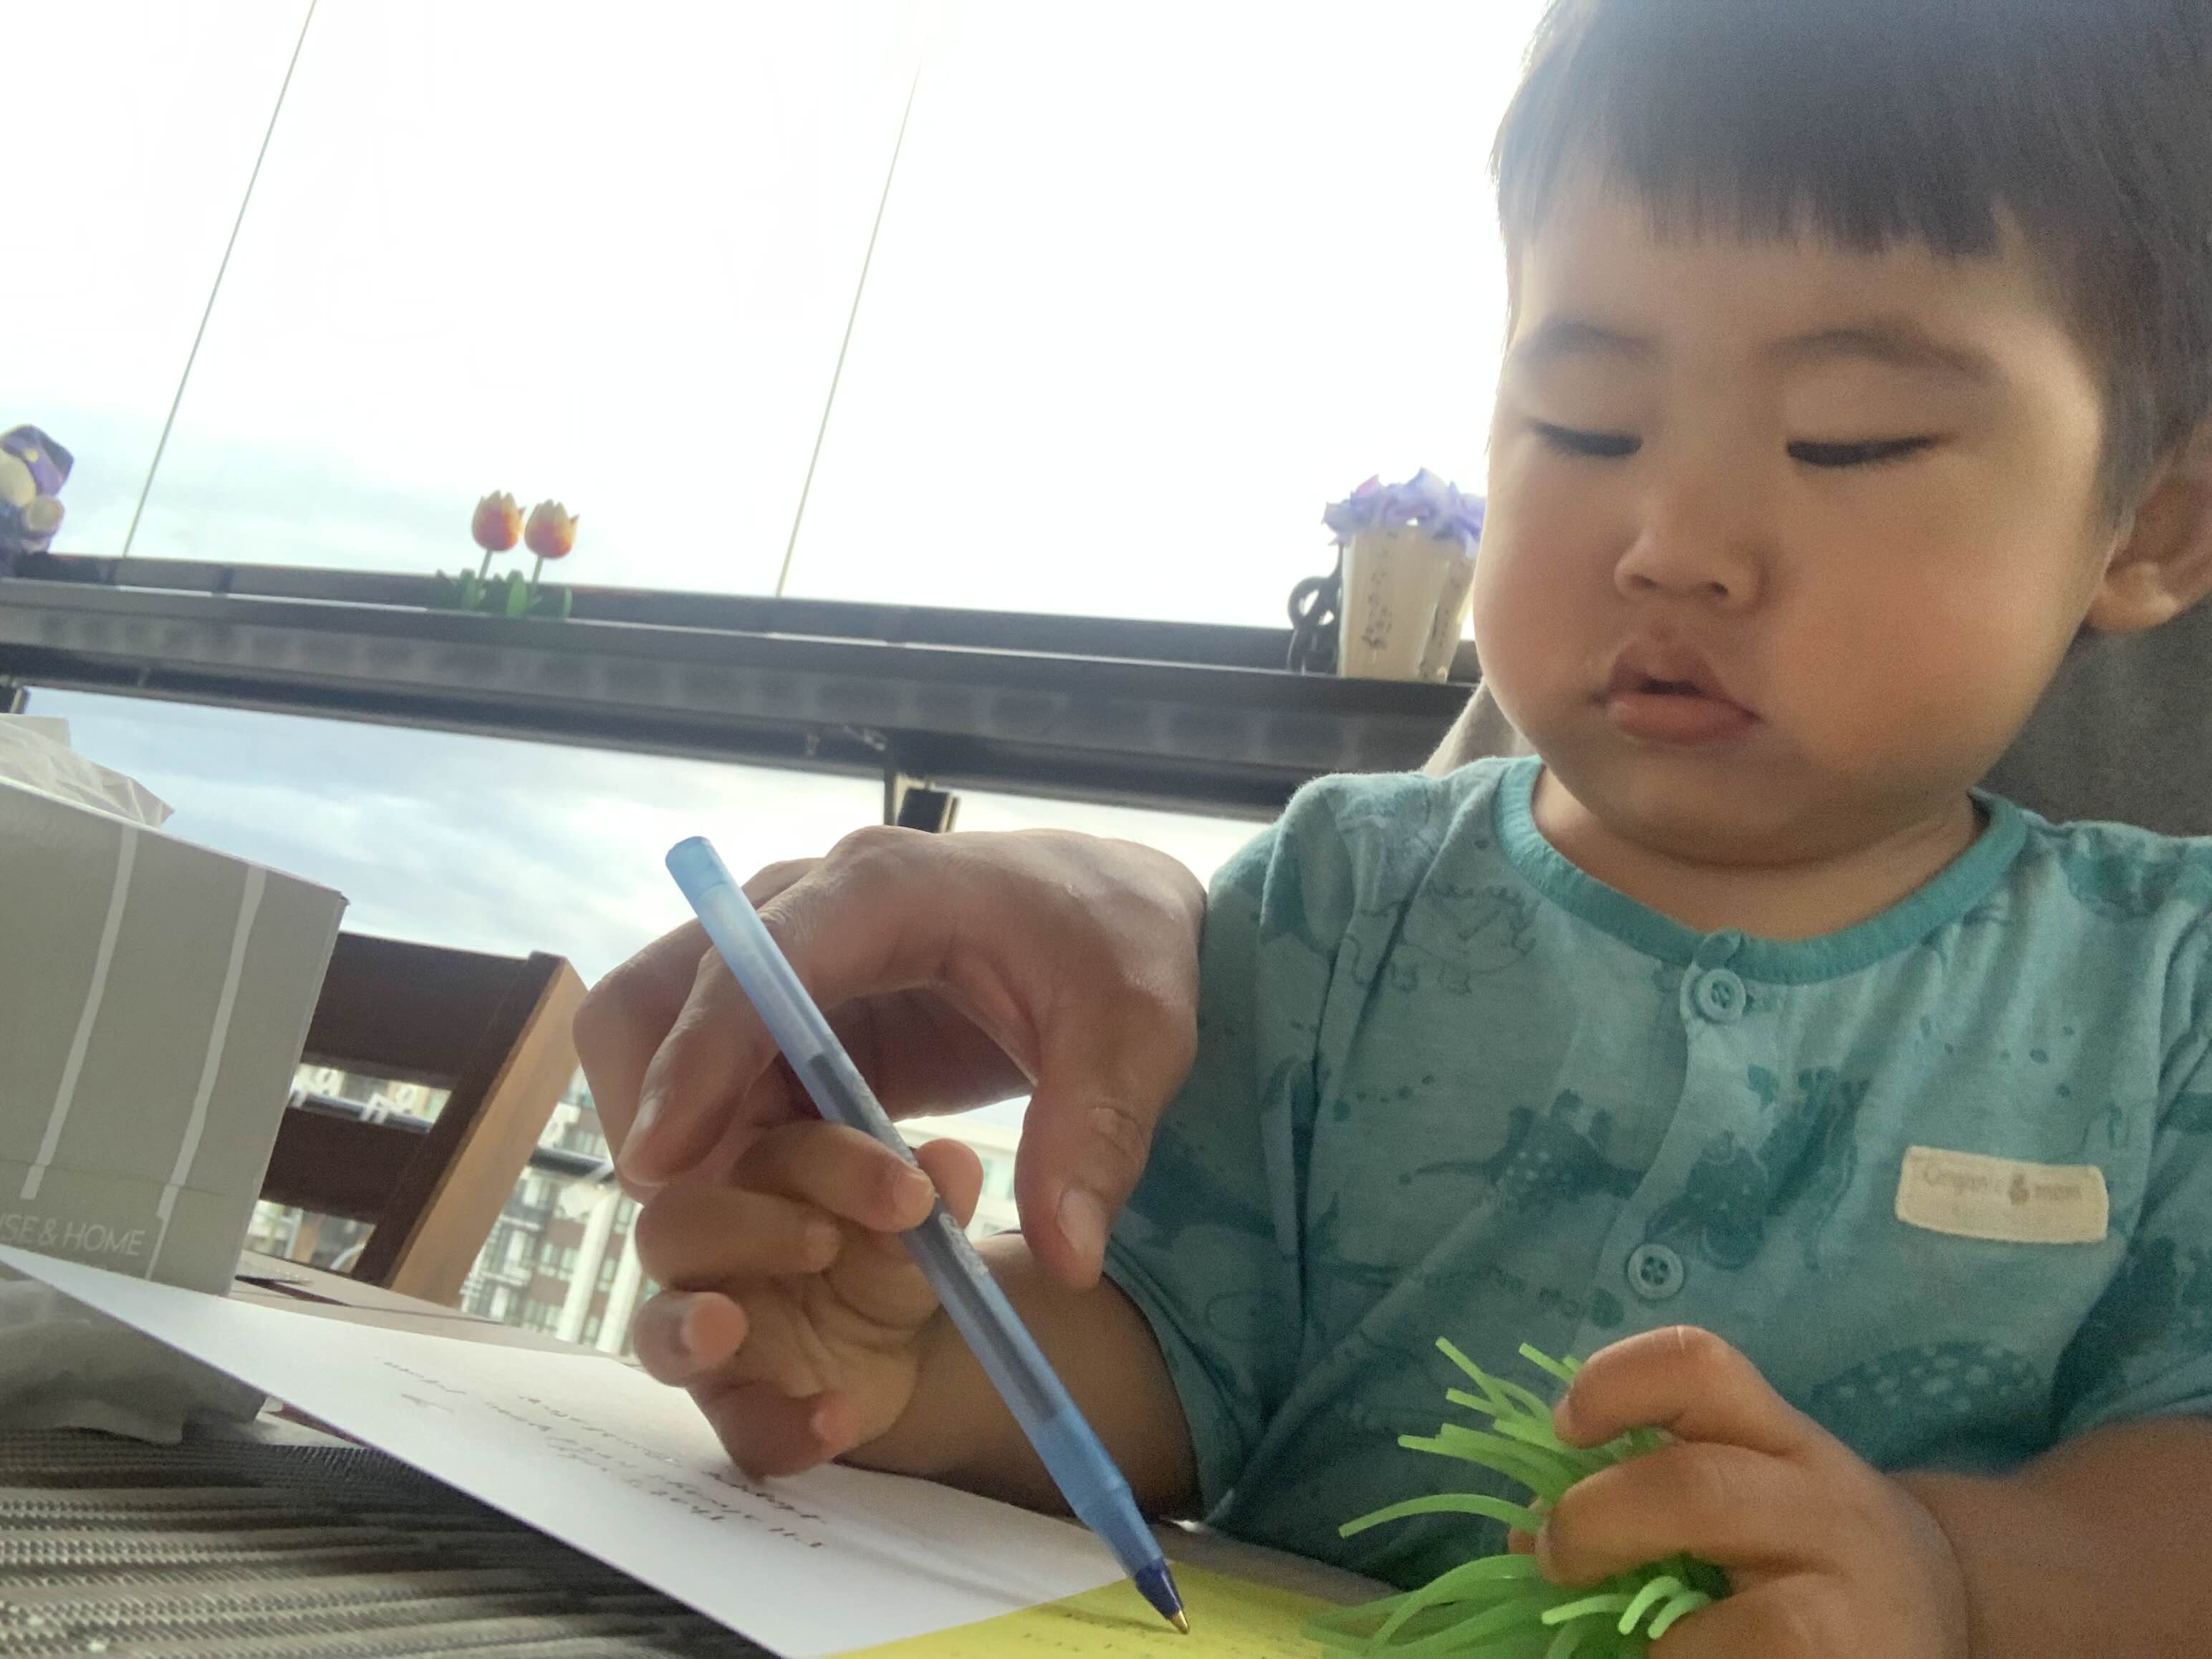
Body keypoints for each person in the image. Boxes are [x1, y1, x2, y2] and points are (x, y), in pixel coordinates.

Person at [576, 0, 2212, 1650]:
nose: (1672, 541)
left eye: (1846, 439)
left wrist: (1943, 1580)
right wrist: (901, 1350)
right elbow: (1174, 1363)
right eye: (1583, 422)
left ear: (2149, 522)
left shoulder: (2168, 988)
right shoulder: (1342, 895)